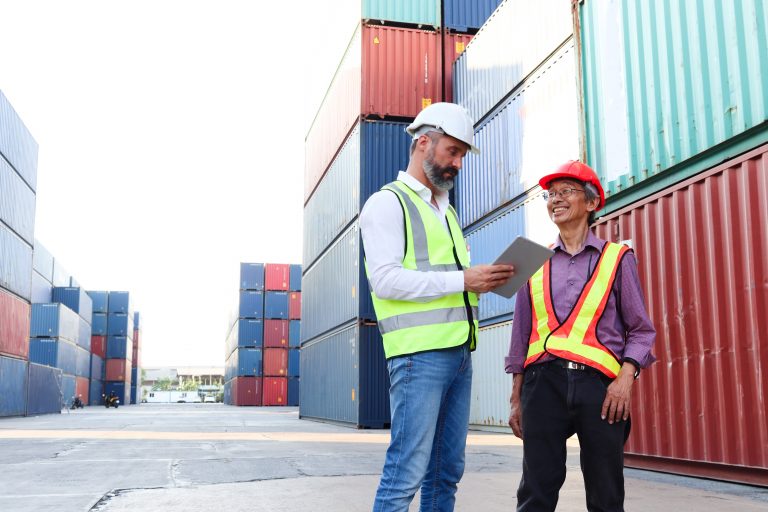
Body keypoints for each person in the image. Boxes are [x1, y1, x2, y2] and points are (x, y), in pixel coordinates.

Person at [360, 102, 515, 511]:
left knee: (446, 472)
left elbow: (442, 283)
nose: (458, 164)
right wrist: (464, 280)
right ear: (423, 142)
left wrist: (483, 283)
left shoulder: (448, 213)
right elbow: (385, 279)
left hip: (459, 353)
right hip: (418, 358)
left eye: (462, 155)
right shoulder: (387, 204)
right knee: (405, 472)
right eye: (453, 152)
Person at [506, 161, 657, 511]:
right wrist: (516, 397)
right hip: (542, 386)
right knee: (535, 493)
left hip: (601, 389)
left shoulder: (619, 258)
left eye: (566, 192)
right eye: (551, 194)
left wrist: (625, 380)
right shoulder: (529, 260)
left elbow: (640, 329)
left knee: (606, 495)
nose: (555, 200)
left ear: (591, 204)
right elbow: (520, 336)